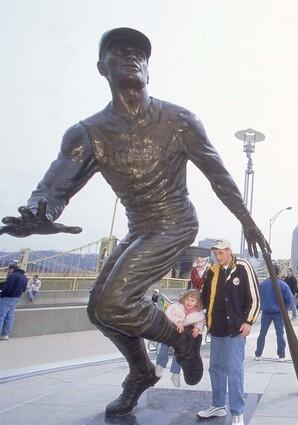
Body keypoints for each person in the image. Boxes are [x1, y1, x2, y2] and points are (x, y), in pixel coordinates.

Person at [0, 28, 270, 417]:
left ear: (149, 70)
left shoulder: (179, 120)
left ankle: (180, 341)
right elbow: (55, 187)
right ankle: (142, 371)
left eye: (140, 54)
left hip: (176, 221)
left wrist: (247, 221)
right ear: (101, 67)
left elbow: (219, 175)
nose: (133, 58)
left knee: (114, 302)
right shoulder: (88, 133)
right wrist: (38, 213)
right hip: (139, 226)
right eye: (120, 51)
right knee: (99, 310)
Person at [198, 239, 260, 425]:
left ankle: (237, 410)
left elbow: (255, 297)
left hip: (236, 328)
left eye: (221, 253)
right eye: (215, 253)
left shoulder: (243, 267)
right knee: (216, 368)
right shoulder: (212, 271)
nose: (218, 257)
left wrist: (249, 321)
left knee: (234, 369)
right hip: (216, 327)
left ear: (229, 251)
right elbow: (205, 297)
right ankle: (218, 405)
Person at [155, 289, 204, 387]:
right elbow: (168, 314)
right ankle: (160, 364)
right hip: (172, 331)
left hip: (183, 336)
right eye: (187, 299)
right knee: (164, 346)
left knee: (180, 354)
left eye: (192, 300)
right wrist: (178, 321)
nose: (189, 302)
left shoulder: (198, 314)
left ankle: (175, 373)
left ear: (197, 303)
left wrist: (198, 328)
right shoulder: (176, 307)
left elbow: (200, 322)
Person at [254, 264, 292, 361]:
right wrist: (284, 309)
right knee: (280, 334)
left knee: (262, 333)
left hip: (266, 312)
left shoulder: (263, 284)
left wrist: (262, 306)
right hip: (278, 313)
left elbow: (258, 297)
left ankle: (258, 354)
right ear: (278, 272)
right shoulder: (283, 284)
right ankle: (281, 355)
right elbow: (289, 299)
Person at [0, 264, 28, 340]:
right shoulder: (25, 277)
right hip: (16, 298)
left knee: (1, 315)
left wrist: (1, 295)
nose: (8, 271)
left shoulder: (12, 276)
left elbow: (7, 288)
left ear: (11, 269)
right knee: (10, 316)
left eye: (8, 270)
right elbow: (24, 289)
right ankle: (5, 335)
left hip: (7, 297)